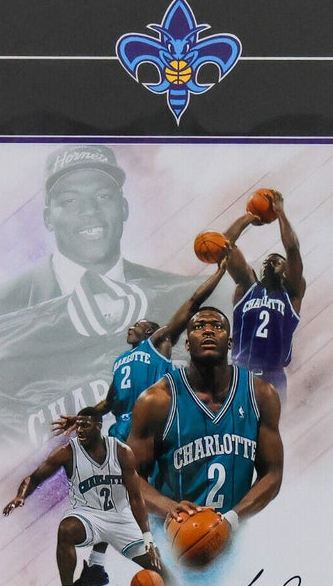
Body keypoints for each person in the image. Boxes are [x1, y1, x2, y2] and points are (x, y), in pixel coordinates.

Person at [0, 143, 220, 447]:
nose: (89, 211)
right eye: (70, 200)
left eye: (103, 197)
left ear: (124, 208)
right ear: (48, 218)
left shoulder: (179, 298)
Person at [126, 307, 284, 538]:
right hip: (174, 538)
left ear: (229, 343)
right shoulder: (156, 400)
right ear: (187, 344)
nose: (208, 330)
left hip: (235, 534)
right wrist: (170, 508)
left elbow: (272, 474)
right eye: (199, 327)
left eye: (217, 326)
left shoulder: (261, 394)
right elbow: (131, 475)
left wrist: (232, 519)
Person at [2, 408, 164, 586]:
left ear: (98, 427)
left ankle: (97, 569)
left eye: (85, 425)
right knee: (67, 529)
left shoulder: (121, 451)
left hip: (119, 517)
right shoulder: (67, 452)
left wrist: (147, 537)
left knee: (162, 572)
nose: (79, 430)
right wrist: (20, 496)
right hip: (88, 516)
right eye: (77, 425)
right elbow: (34, 477)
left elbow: (136, 497)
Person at [50, 252, 230, 444]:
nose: (130, 328)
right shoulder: (120, 361)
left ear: (150, 331)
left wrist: (219, 273)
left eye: (137, 325)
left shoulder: (157, 344)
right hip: (122, 428)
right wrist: (81, 418)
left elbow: (192, 303)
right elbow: (109, 403)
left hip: (153, 418)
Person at [221, 190, 306, 402]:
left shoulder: (292, 295)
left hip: (273, 376)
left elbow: (292, 248)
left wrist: (280, 213)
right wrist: (249, 217)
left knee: (276, 424)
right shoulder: (247, 288)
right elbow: (224, 246)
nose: (270, 260)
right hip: (240, 373)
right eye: (267, 259)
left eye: (278, 260)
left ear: (287, 271)